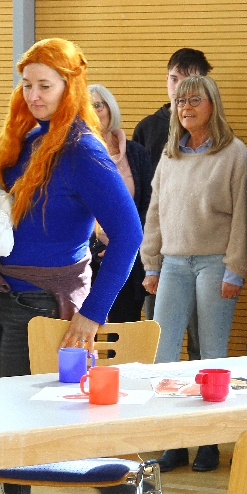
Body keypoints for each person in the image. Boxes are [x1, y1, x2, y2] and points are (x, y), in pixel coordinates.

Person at [0, 38, 142, 494]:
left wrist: (92, 316)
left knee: (22, 429)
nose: (33, 95)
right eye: (27, 84)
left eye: (45, 86)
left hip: (41, 306)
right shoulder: (25, 138)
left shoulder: (83, 151)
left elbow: (129, 235)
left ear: (69, 87)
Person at [141, 75, 247, 473]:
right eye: (180, 101)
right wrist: (151, 263)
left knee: (211, 354)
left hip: (215, 263)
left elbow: (242, 215)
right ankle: (173, 443)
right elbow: (155, 211)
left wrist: (236, 268)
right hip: (172, 263)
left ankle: (208, 442)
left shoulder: (234, 152)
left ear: (212, 104)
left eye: (195, 100)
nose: (186, 108)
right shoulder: (170, 154)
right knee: (164, 355)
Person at [133, 48, 212, 363]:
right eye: (175, 79)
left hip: (202, 249)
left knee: (201, 337)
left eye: (190, 81)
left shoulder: (215, 134)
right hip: (158, 247)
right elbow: (138, 193)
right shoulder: (148, 128)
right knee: (158, 336)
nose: (181, 89)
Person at [88, 83, 152, 322]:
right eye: (86, 108)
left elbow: (149, 205)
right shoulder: (77, 155)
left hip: (129, 258)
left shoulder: (137, 153)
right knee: (86, 331)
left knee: (124, 330)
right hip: (88, 260)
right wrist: (97, 245)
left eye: (98, 105)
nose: (94, 112)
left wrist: (126, 242)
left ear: (110, 108)